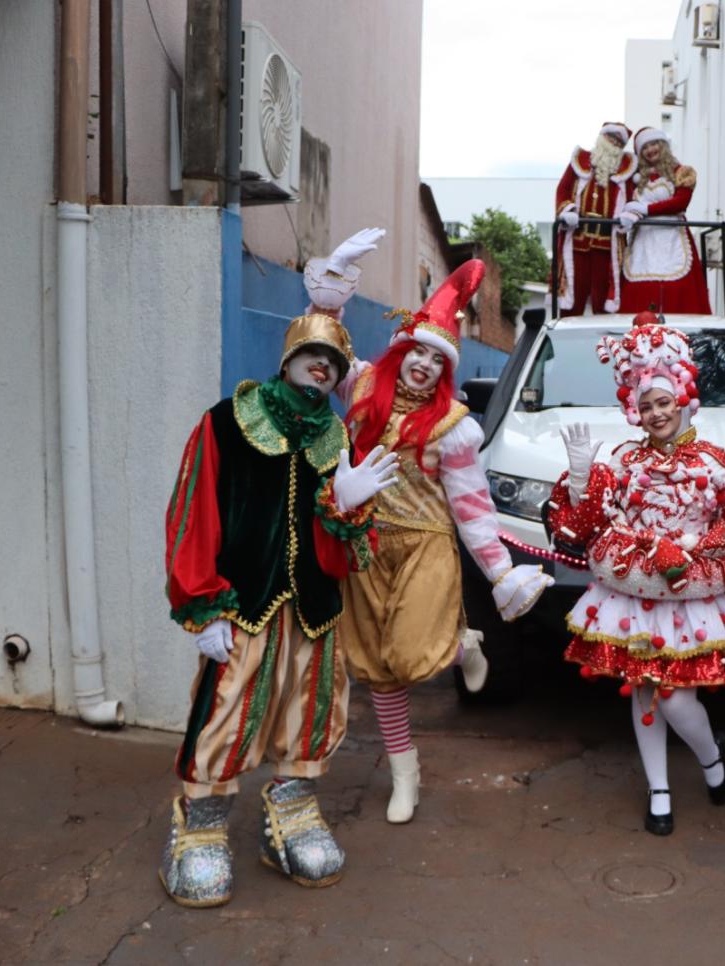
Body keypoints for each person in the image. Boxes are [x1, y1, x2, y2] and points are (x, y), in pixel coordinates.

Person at [160, 229, 400, 907]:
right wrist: (201, 603)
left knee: (310, 709)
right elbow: (193, 514)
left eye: (334, 359)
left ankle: (291, 813)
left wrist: (345, 510)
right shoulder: (229, 422)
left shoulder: (337, 437)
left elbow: (346, 555)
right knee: (227, 709)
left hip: (314, 608)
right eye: (313, 354)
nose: (322, 367)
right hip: (242, 603)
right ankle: (200, 827)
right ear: (289, 355)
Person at [547, 310, 725, 835]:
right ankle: (659, 789)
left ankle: (710, 756)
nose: (656, 414)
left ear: (682, 400)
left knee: (679, 701)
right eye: (646, 406)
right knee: (643, 689)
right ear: (634, 411)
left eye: (663, 403)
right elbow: (585, 524)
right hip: (634, 591)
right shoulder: (622, 460)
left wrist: (708, 542)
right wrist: (583, 477)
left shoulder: (713, 460)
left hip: (690, 594)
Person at [338, 257, 553, 825]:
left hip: (425, 546)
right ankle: (403, 772)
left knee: (408, 655)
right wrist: (327, 296)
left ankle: (461, 645)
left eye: (438, 360)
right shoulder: (360, 384)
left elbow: (473, 507)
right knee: (374, 667)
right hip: (364, 544)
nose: (426, 366)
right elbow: (318, 351)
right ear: (399, 350)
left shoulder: (452, 427)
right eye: (419, 352)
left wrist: (501, 571)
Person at [617, 127, 711, 315]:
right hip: (644, 240)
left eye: (653, 144)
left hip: (672, 237)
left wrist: (646, 209)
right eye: (645, 147)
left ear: (662, 145)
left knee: (677, 289)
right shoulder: (636, 178)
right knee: (641, 286)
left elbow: (681, 202)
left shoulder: (681, 171)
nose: (650, 150)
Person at [555, 122, 637, 316]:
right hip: (578, 241)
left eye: (618, 141)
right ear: (601, 138)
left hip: (607, 245)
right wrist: (569, 209)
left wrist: (628, 215)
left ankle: (604, 342)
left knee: (603, 298)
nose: (612, 143)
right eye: (610, 138)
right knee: (573, 294)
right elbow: (563, 190)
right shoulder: (580, 162)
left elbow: (634, 199)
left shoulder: (626, 171)